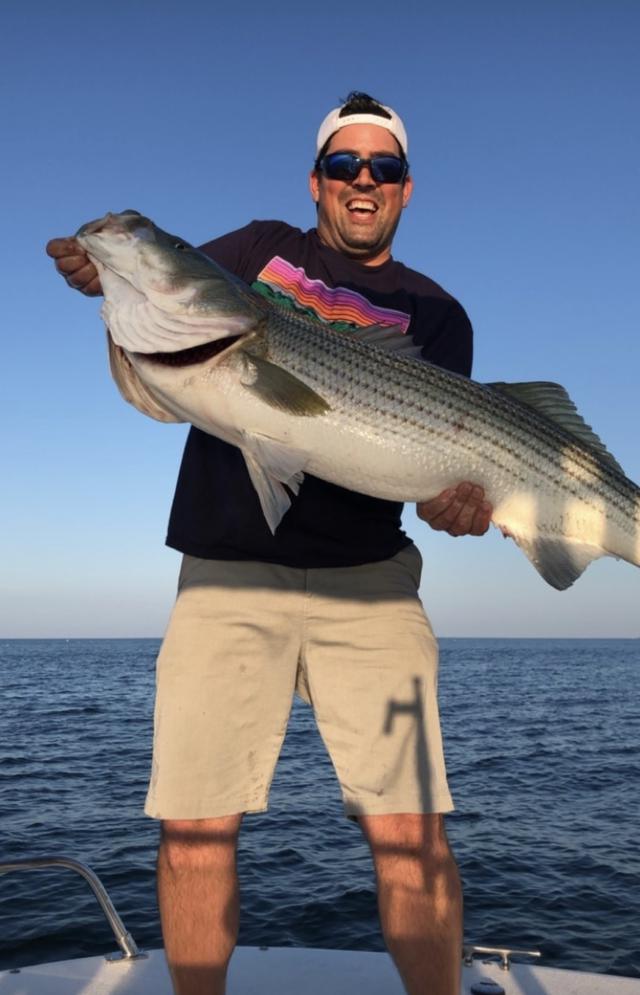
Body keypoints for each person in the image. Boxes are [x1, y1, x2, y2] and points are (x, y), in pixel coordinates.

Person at [47, 92, 492, 995]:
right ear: (316, 181)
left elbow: (437, 472)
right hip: (228, 575)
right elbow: (168, 355)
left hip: (371, 585)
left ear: (406, 188)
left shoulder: (438, 312)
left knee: (411, 832)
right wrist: (118, 280)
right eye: (344, 164)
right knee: (194, 826)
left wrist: (465, 506)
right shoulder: (258, 251)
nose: (363, 180)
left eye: (383, 167)